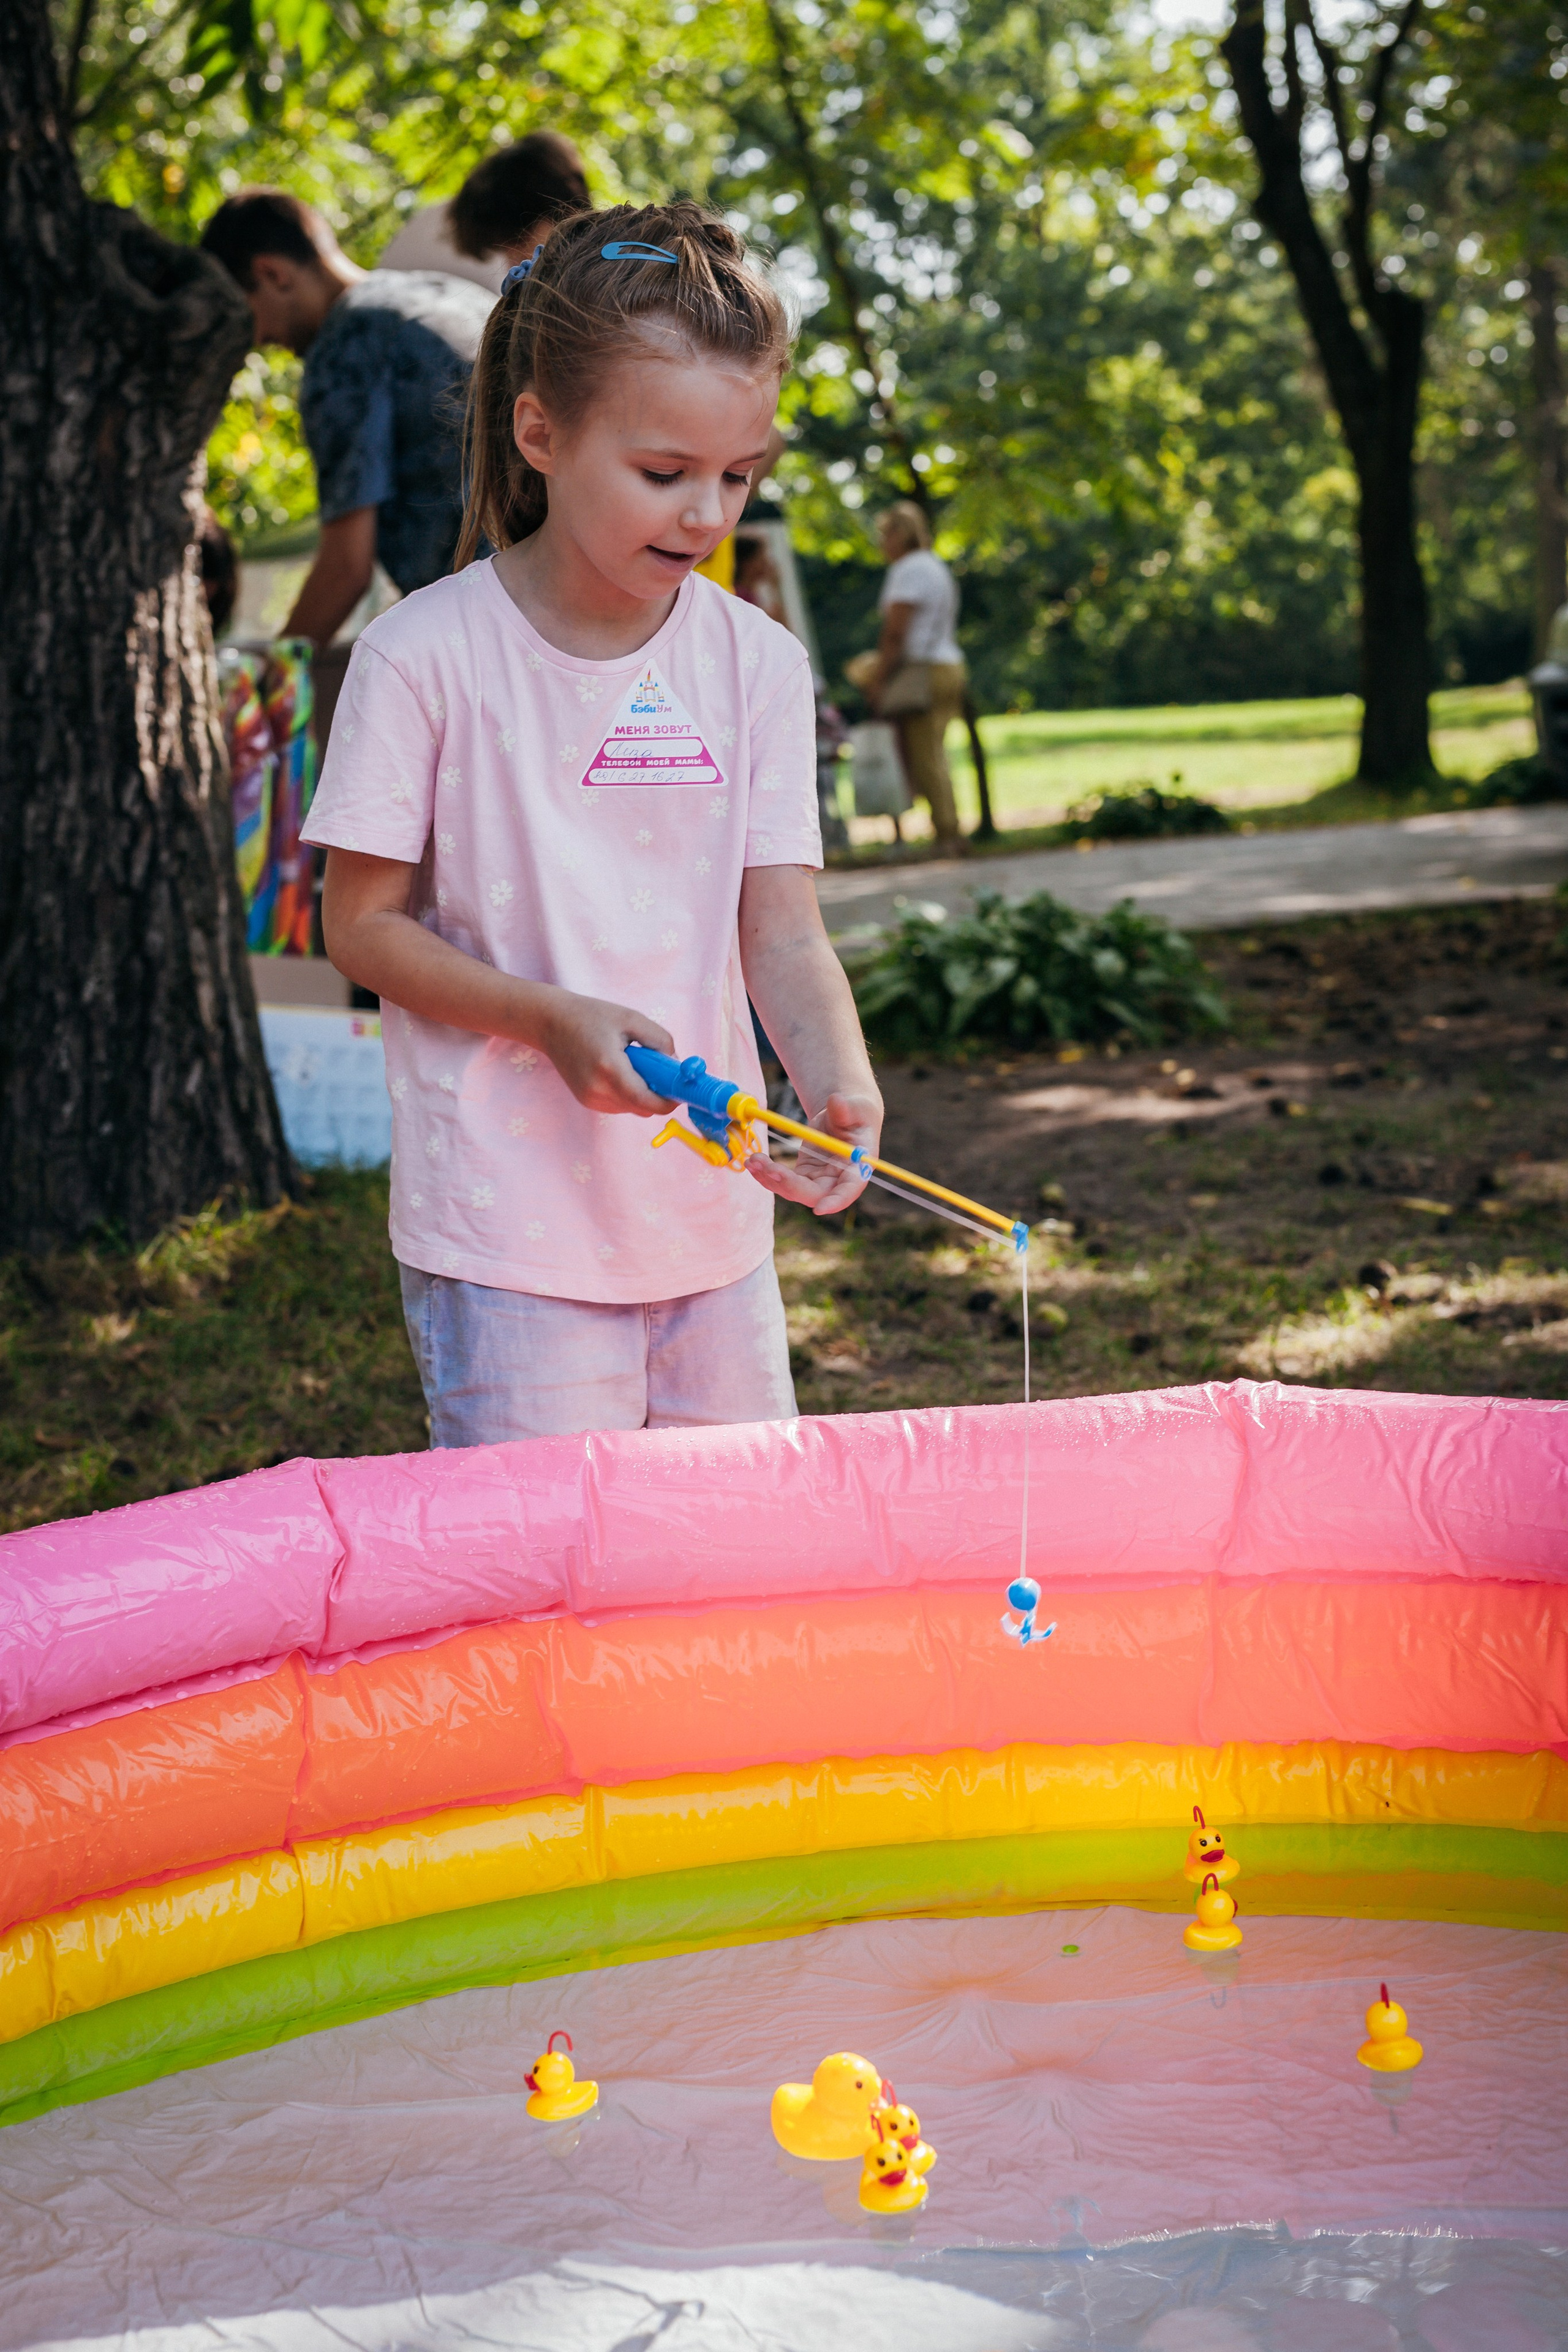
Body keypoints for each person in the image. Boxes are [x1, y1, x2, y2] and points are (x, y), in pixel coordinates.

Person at [299, 201, 883, 1446]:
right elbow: (358, 926)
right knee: (549, 1597)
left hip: (709, 1230)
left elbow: (780, 930)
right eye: (664, 474)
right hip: (505, 1235)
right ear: (540, 432)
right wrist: (547, 1021)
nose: (706, 515)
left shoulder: (759, 668)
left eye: (739, 475)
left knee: (726, 1577)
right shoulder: (421, 657)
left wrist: (834, 1076)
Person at [200, 189, 495, 647]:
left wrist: (267, 684)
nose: (260, 339)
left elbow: (345, 570)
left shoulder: (343, 352)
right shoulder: (443, 293)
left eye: (248, 317)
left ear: (271, 273)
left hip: (490, 621)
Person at [865, 500, 967, 851]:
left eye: (884, 534)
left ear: (898, 534)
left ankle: (947, 834)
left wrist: (878, 680)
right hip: (950, 664)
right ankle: (950, 828)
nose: (881, 543)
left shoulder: (907, 570)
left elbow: (896, 633)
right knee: (936, 754)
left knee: (924, 757)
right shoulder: (936, 566)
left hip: (923, 670)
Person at [379, 132, 590, 294]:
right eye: (506, 251)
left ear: (563, 213)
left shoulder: (601, 281)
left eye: (520, 242)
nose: (514, 263)